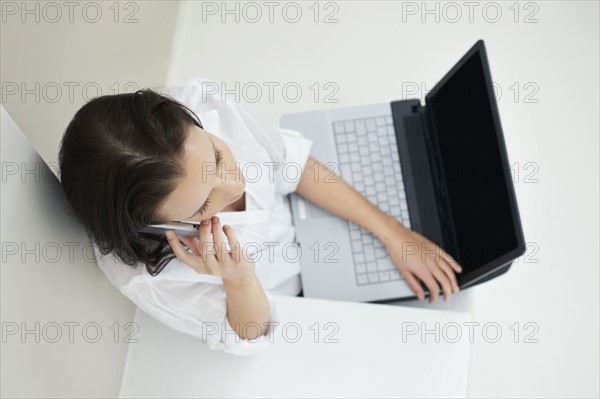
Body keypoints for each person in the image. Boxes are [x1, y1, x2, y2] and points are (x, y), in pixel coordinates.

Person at [58, 77, 462, 356]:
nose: (236, 186)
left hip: (315, 212)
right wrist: (239, 278)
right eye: (202, 206)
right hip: (299, 297)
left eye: (217, 157)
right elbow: (249, 335)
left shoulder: (206, 102)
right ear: (155, 226)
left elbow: (292, 163)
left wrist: (392, 232)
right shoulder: (153, 282)